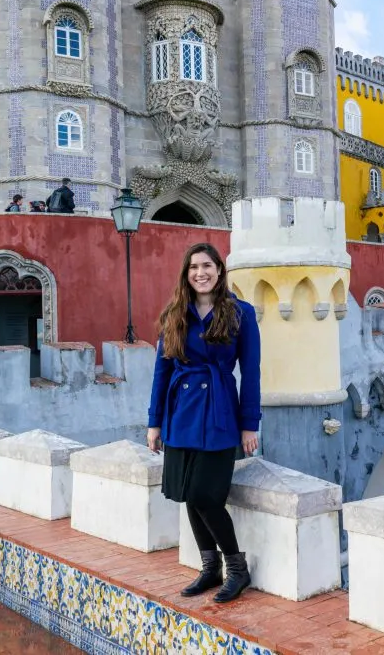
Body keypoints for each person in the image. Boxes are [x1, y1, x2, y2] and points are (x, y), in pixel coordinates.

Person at [147, 243, 261, 603]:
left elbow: (252, 373)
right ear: (186, 273)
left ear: (219, 269)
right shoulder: (175, 314)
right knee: (186, 495)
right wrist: (154, 423)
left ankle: (237, 569)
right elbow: (161, 371)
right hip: (180, 412)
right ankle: (210, 568)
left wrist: (249, 424)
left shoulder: (241, 313)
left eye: (207, 265)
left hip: (219, 411)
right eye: (194, 267)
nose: (201, 273)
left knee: (204, 495)